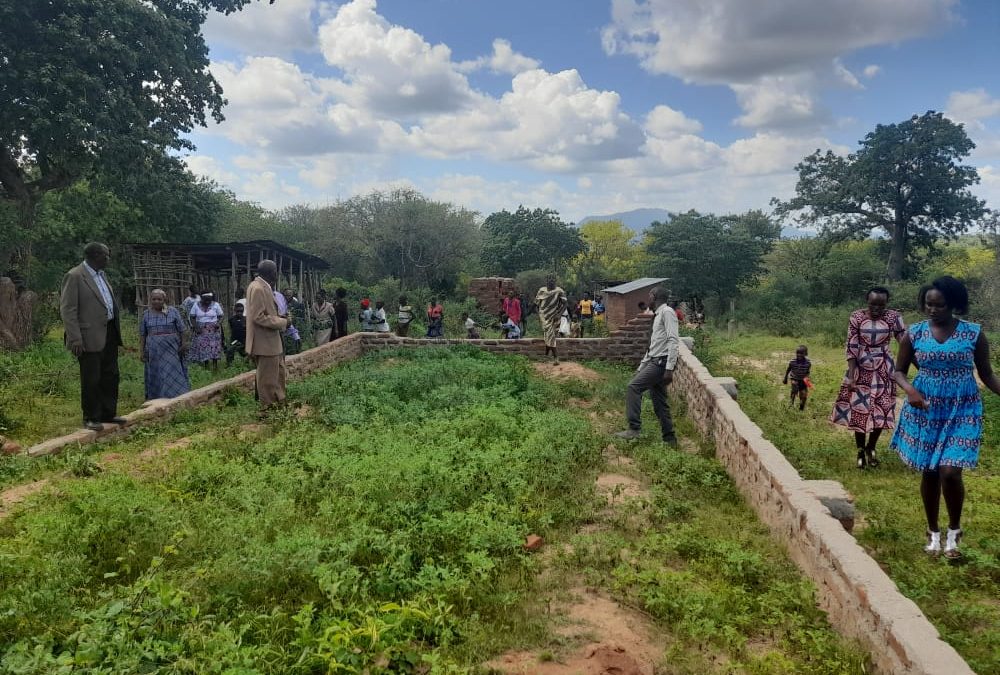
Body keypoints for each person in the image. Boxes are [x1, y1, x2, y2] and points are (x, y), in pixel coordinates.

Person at [890, 277, 1000, 559]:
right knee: (929, 471)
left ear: (954, 305)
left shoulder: (973, 334)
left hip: (963, 408)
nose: (933, 309)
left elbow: (986, 374)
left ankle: (954, 531)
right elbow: (898, 370)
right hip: (925, 407)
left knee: (950, 472)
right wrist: (910, 390)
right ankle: (932, 531)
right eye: (929, 303)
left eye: (940, 305)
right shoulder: (913, 334)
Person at [830, 287, 905, 469]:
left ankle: (872, 447)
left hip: (884, 369)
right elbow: (852, 345)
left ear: (886, 304)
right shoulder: (856, 317)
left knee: (882, 408)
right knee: (859, 409)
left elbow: (905, 341)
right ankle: (860, 451)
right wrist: (853, 374)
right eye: (873, 304)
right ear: (867, 302)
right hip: (860, 368)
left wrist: (919, 362)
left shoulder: (894, 317)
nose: (876, 308)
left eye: (881, 305)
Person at [60, 242, 125, 431]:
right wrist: (75, 338)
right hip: (88, 336)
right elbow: (68, 310)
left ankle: (108, 413)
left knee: (110, 375)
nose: (108, 259)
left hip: (110, 332)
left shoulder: (102, 275)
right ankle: (91, 416)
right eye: (106, 255)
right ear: (95, 255)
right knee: (91, 378)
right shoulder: (75, 276)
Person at [614, 286, 678, 446]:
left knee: (633, 387)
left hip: (661, 363)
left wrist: (669, 368)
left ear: (655, 296)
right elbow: (653, 345)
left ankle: (634, 429)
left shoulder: (667, 312)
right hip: (655, 360)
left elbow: (673, 340)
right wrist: (641, 367)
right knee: (659, 402)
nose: (647, 298)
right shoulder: (657, 315)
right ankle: (670, 438)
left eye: (649, 295)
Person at [246, 260, 289, 409]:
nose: (277, 274)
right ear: (271, 273)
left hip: (271, 341)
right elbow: (258, 317)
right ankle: (268, 409)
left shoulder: (263, 286)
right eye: (276, 271)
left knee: (278, 374)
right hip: (264, 342)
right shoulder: (258, 288)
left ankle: (279, 403)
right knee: (267, 379)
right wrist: (283, 322)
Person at [139, 288, 190, 400]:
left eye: (159, 299)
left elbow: (182, 330)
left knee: (171, 372)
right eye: (154, 299)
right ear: (150, 300)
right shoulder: (146, 314)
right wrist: (142, 351)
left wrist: (184, 344)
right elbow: (143, 334)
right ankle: (157, 398)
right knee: (156, 373)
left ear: (164, 300)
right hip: (153, 351)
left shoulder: (173, 311)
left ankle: (177, 397)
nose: (156, 301)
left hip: (171, 349)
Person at [535, 275, 568, 363]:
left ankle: (546, 355)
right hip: (544, 317)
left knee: (550, 336)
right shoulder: (541, 290)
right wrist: (539, 314)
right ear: (546, 280)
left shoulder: (559, 291)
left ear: (556, 281)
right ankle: (556, 357)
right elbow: (536, 304)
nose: (551, 280)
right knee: (550, 335)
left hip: (555, 317)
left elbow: (565, 304)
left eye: (553, 279)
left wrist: (559, 314)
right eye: (549, 279)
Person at [188, 291, 225, 371]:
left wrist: (218, 323)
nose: (208, 302)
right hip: (201, 331)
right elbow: (192, 317)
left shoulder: (216, 305)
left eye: (209, 300)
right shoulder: (196, 305)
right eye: (206, 300)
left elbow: (221, 316)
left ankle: (215, 367)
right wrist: (196, 327)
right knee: (203, 348)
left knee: (214, 348)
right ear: (202, 298)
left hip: (213, 330)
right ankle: (206, 366)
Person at [783, 345, 812, 411]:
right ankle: (791, 403)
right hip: (794, 378)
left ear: (806, 354)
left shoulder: (808, 363)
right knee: (794, 389)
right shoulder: (792, 361)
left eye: (801, 353)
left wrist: (807, 378)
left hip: (803, 380)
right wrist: (785, 378)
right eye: (797, 353)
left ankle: (801, 408)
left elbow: (807, 371)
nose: (799, 355)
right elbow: (788, 369)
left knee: (804, 395)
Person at [275, 290, 302, 354]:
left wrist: (296, 336)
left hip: (288, 327)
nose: (287, 297)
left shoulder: (295, 304)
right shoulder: (280, 302)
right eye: (285, 295)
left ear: (292, 296)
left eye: (289, 295)